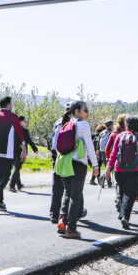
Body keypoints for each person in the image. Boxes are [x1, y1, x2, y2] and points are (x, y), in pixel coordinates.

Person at [53, 100, 96, 239]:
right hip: (78, 164)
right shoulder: (83, 125)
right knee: (75, 196)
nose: (88, 112)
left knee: (67, 193)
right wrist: (95, 165)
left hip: (64, 162)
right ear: (76, 111)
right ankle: (71, 229)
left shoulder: (66, 124)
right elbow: (89, 145)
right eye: (85, 109)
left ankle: (62, 220)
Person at [106, 114, 138, 229]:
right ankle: (125, 216)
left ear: (127, 124)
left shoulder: (120, 136)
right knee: (131, 194)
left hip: (119, 170)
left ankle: (122, 213)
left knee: (122, 191)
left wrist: (108, 167)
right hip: (136, 170)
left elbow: (114, 153)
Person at [9, 115, 40, 192]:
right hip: (21, 152)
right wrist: (35, 149)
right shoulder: (24, 131)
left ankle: (19, 185)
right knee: (17, 168)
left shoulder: (12, 129)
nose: (25, 123)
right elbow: (29, 141)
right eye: (25, 121)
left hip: (11, 151)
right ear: (21, 121)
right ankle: (12, 185)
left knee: (17, 167)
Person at [95, 119, 115, 188]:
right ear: (111, 125)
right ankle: (102, 178)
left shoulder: (101, 133)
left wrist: (97, 153)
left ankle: (109, 182)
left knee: (107, 166)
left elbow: (98, 143)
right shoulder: (113, 132)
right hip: (110, 151)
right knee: (110, 166)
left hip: (102, 151)